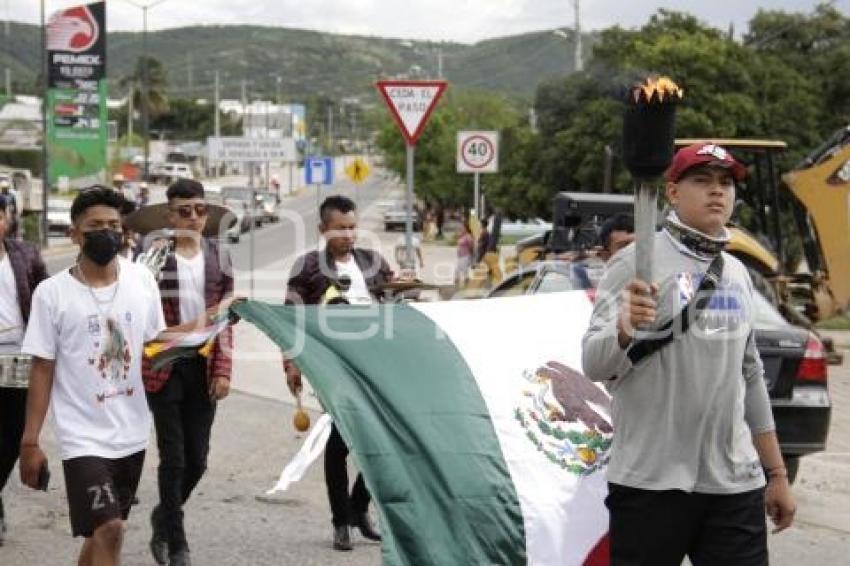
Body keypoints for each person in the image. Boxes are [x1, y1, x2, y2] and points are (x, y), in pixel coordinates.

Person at [582, 143, 795, 565]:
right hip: (650, 484)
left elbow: (749, 375)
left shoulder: (736, 273)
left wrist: (777, 474)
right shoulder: (633, 263)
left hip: (733, 485)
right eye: (702, 180)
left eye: (726, 183)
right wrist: (625, 327)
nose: (717, 191)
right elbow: (594, 363)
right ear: (673, 193)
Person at [18, 187, 228, 566]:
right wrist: (30, 442)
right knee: (111, 529)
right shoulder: (51, 294)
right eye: (95, 225)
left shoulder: (141, 280)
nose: (107, 232)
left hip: (130, 432)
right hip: (82, 436)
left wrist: (213, 319)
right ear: (75, 234)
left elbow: (158, 342)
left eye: (114, 225)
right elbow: (42, 367)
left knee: (101, 533)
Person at [284, 194, 390, 551]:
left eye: (352, 227)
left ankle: (359, 507)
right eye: (340, 228)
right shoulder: (308, 267)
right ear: (322, 229)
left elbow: (394, 302)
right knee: (340, 444)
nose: (348, 234)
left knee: (383, 443)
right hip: (333, 368)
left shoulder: (373, 263)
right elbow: (291, 321)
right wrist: (292, 363)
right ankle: (340, 521)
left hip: (376, 366)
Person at [142, 179, 234, 566]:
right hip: (164, 366)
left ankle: (163, 515)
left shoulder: (220, 257)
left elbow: (227, 317)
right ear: (170, 215)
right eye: (184, 210)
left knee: (198, 460)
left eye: (199, 210)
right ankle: (176, 543)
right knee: (174, 458)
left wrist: (224, 369)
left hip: (203, 365)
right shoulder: (155, 257)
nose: (193, 217)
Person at [0, 194, 47, 546]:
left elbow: (45, 295)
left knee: (14, 436)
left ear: (6, 218)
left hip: (18, 356)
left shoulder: (24, 254)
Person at [455, 220, 474, 287]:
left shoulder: (468, 236)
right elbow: (458, 243)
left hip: (465, 256)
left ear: (466, 228)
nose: (461, 229)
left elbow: (471, 246)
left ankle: (466, 285)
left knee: (464, 272)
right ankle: (457, 285)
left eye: (463, 228)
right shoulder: (462, 236)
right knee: (457, 271)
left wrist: (471, 257)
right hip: (460, 256)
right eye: (461, 228)